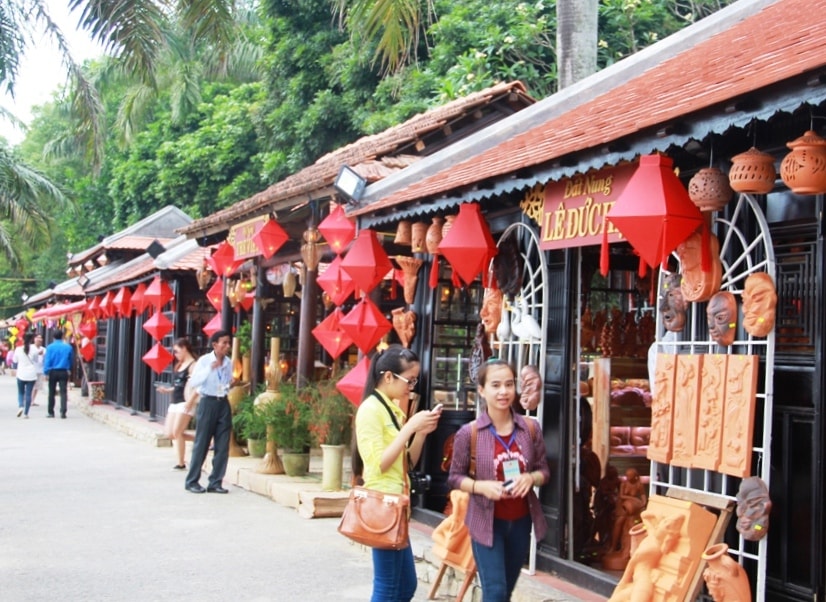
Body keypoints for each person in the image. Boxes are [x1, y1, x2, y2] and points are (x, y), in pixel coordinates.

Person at [448, 359, 550, 602]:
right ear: (482, 390)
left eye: (509, 384)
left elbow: (543, 471)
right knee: (494, 592)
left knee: (505, 593)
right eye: (495, 385)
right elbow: (454, 478)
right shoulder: (469, 433)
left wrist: (530, 478)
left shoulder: (530, 428)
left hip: (521, 522)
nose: (504, 392)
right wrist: (480, 486)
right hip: (486, 522)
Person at [353, 345, 442, 602]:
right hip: (383, 506)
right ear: (388, 376)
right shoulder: (371, 410)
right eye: (409, 380)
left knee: (405, 586)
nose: (412, 387)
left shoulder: (391, 408)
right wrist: (410, 427)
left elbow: (407, 461)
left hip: (397, 505)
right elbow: (377, 463)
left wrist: (422, 432)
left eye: (415, 380)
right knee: (389, 588)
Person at [185, 330, 236, 494]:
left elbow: (226, 381)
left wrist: (230, 384)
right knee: (202, 443)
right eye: (224, 343)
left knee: (222, 444)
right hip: (208, 402)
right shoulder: (204, 361)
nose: (227, 346)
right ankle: (192, 481)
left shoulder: (228, 362)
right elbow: (194, 382)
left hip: (223, 402)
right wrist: (209, 369)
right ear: (215, 345)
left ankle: (215, 481)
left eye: (229, 343)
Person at [159, 338, 199, 471]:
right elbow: (179, 386)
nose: (175, 354)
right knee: (169, 433)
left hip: (185, 401)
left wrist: (191, 401)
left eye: (177, 351)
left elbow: (195, 386)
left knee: (177, 431)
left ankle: (181, 462)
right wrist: (167, 390)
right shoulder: (180, 364)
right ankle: (201, 439)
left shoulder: (193, 365)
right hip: (175, 400)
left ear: (184, 348)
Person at [43, 328, 74, 419]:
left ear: (53, 337)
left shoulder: (49, 347)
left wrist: (46, 372)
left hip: (53, 371)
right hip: (63, 371)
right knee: (63, 391)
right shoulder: (68, 347)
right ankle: (63, 411)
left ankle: (51, 412)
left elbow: (47, 360)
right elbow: (71, 360)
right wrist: (69, 368)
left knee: (51, 392)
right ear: (62, 336)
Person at [13, 333, 39, 418]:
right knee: (28, 393)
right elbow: (36, 360)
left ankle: (21, 406)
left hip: (21, 373)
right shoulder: (34, 349)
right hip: (31, 374)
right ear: (32, 339)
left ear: (23, 339)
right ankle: (26, 413)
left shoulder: (18, 349)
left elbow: (15, 361)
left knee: (21, 392)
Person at [30, 334, 46, 406]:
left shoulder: (44, 349)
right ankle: (28, 399)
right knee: (30, 385)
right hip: (31, 369)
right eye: (38, 338)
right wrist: (37, 354)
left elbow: (45, 360)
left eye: (41, 338)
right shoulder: (30, 348)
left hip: (40, 369)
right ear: (34, 339)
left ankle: (32, 400)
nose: (39, 339)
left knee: (37, 386)